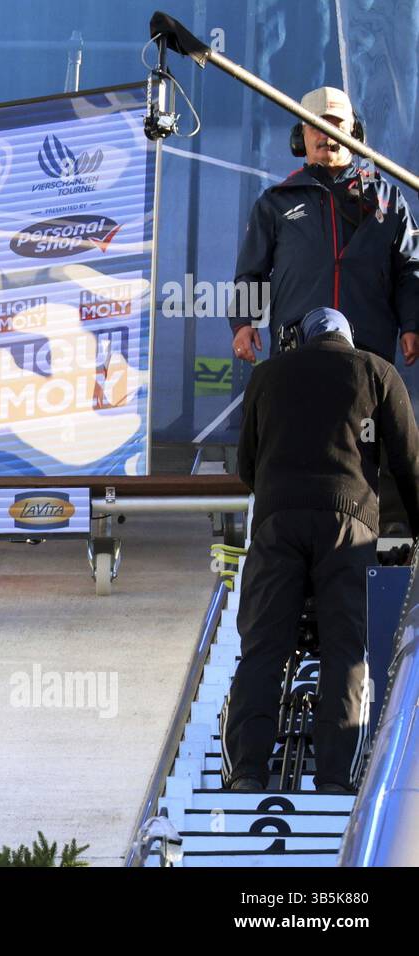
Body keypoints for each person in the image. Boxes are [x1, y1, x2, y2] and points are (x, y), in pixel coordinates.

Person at [221, 307, 419, 794]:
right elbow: (409, 462)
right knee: (345, 647)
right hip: (347, 524)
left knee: (263, 645)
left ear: (303, 339)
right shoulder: (377, 372)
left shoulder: (267, 375)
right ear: (349, 338)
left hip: (276, 520)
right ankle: (333, 778)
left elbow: (247, 461)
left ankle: (247, 770)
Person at [230, 86, 419, 366]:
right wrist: (243, 323)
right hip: (296, 352)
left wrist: (412, 323)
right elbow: (251, 273)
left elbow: (410, 269)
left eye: (335, 126)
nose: (325, 135)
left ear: (355, 133)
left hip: (369, 355)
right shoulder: (275, 202)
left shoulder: (388, 199)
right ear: (300, 136)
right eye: (316, 126)